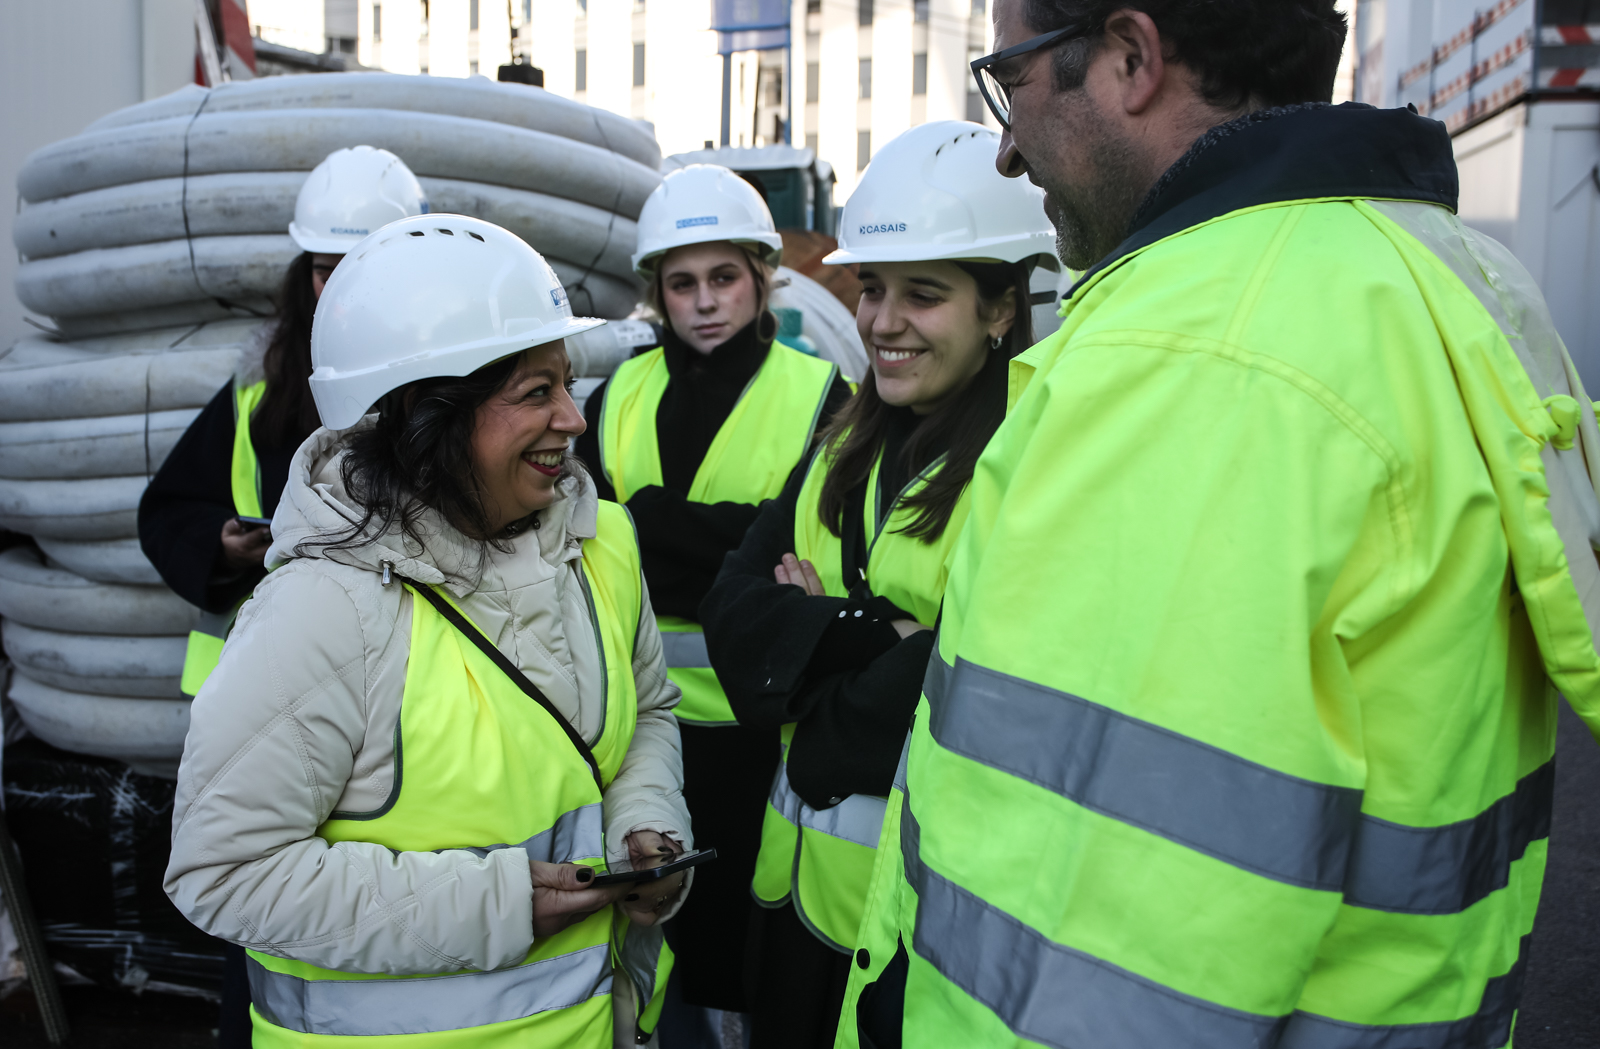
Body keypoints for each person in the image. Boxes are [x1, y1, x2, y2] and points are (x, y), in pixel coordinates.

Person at [836, 1, 1600, 1047]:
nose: (1006, 149)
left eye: (1010, 82)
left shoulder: (1191, 363)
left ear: (1130, 57)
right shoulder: (1440, 275)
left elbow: (1102, 967)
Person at [164, 214, 692, 1048]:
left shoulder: (604, 545)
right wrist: (497, 905)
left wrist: (646, 825)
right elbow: (224, 870)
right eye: (536, 393)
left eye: (567, 383)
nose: (573, 418)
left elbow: (648, 713)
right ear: (426, 415)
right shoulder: (325, 609)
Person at [697, 121, 1055, 1049]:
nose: (882, 321)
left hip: (911, 929)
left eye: (923, 295)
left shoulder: (1031, 468)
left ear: (1002, 308)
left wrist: (809, 639)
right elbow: (733, 621)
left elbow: (963, 684)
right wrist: (872, 634)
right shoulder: (839, 445)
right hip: (792, 905)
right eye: (871, 288)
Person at [138, 144, 428, 1047]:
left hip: (399, 707)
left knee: (385, 907)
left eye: (359, 265)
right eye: (323, 267)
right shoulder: (258, 397)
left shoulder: (442, 395)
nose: (336, 287)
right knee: (266, 926)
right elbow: (168, 510)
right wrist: (222, 546)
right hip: (266, 706)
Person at [574, 164, 853, 1039]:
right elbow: (581, 539)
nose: (703, 301)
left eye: (724, 277)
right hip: (636, 726)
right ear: (656, 291)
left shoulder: (821, 395)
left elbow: (807, 552)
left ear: (762, 277)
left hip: (758, 732)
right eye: (682, 282)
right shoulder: (616, 395)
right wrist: (736, 546)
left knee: (739, 960)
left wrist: (646, 522)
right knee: (644, 940)